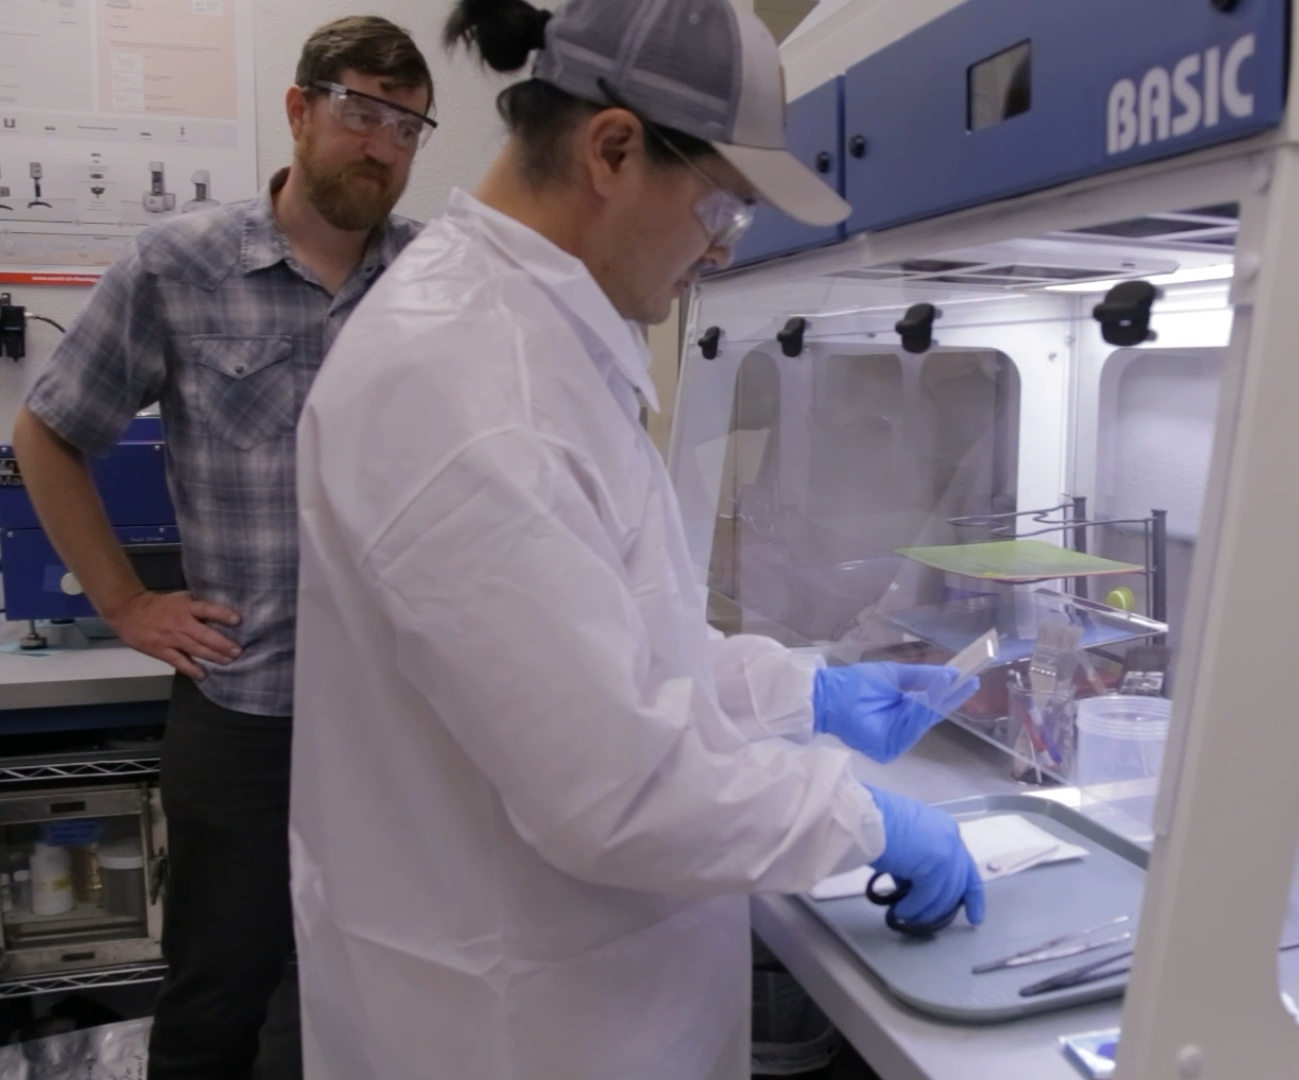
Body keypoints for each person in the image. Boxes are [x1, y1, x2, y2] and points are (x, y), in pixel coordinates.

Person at [289, 0, 988, 1076]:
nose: (722, 246)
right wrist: (859, 820)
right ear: (612, 150)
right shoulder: (469, 383)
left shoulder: (528, 338)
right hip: (518, 1030)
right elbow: (613, 790)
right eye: (723, 204)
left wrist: (801, 695)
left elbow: (606, 648)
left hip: (577, 1000)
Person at [9, 17, 435, 1079]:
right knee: (216, 995)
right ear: (299, 109)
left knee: (385, 986)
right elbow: (49, 434)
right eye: (361, 111)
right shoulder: (180, 267)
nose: (382, 144)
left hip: (402, 718)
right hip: (248, 710)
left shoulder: (438, 279)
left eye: (408, 126)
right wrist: (124, 602)